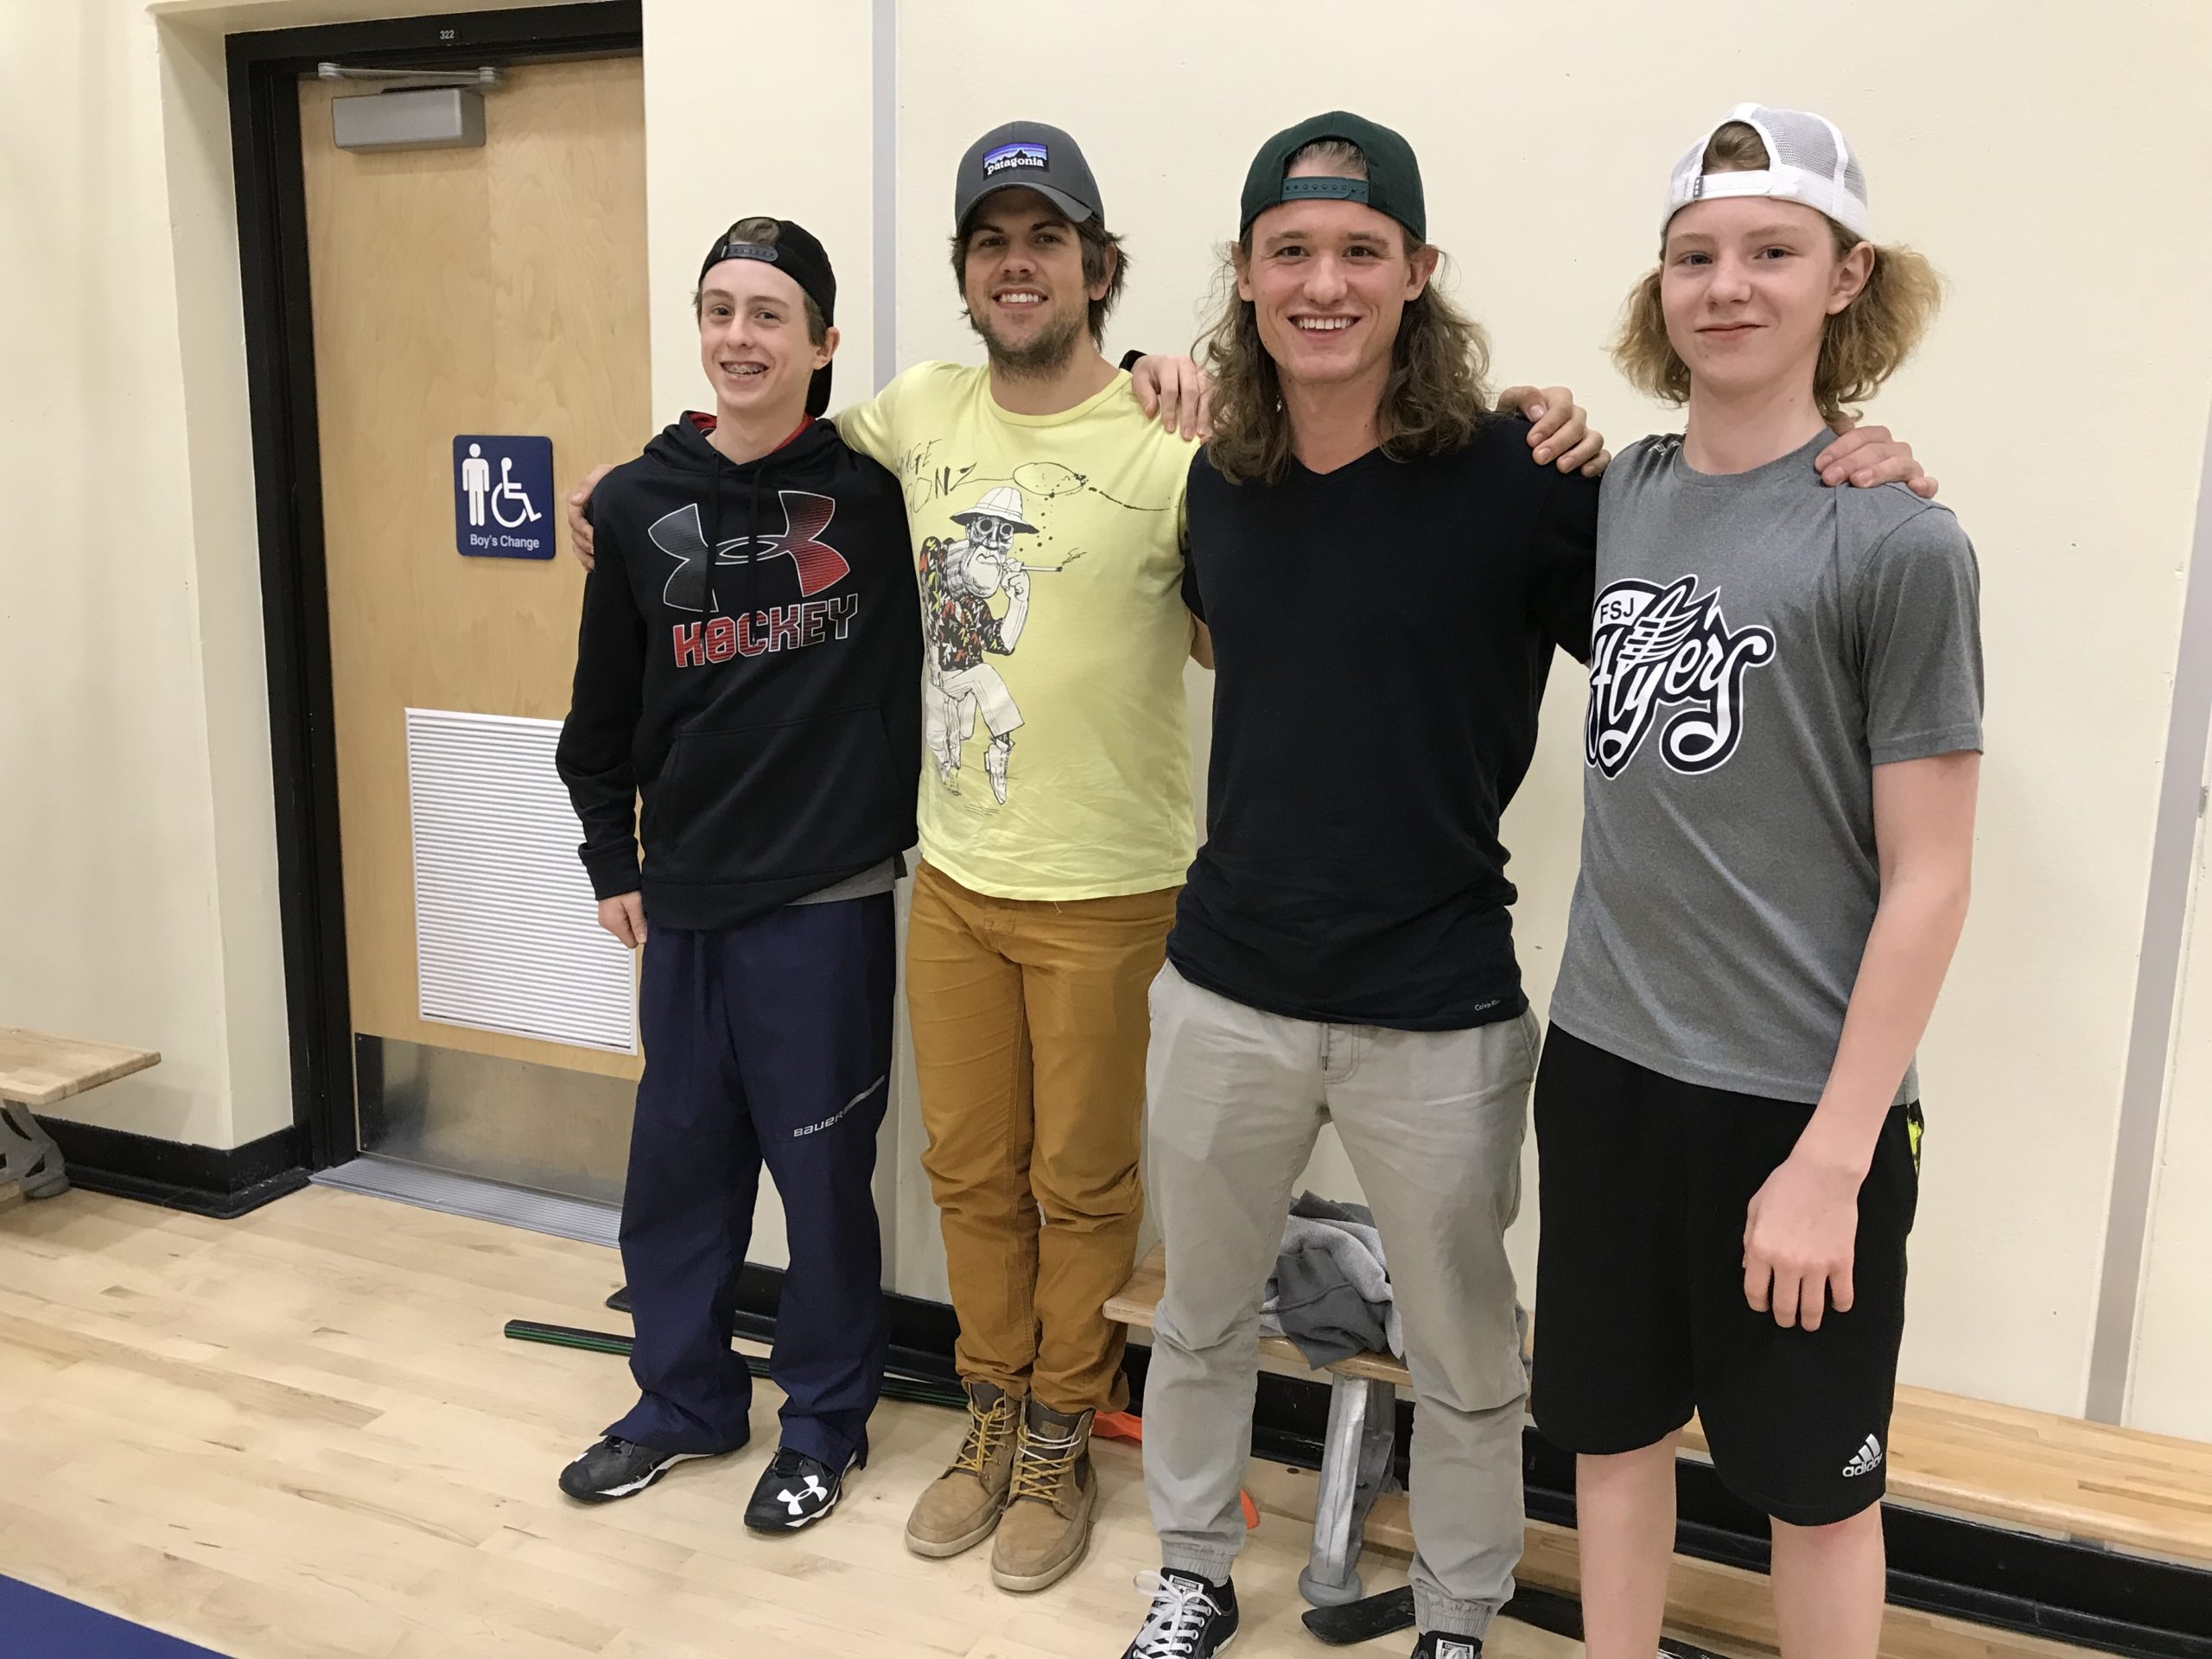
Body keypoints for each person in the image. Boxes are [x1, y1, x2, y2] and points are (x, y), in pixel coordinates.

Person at [568, 122, 1599, 1596]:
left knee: (1083, 1186)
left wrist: (1541, 423)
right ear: (965, 275)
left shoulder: (1187, 438)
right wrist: (633, 490)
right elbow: (757, 440)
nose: (1018, 266)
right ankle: (989, 1410)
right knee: (968, 1176)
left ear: (1097, 268)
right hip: (955, 880)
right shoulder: (915, 414)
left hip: (1118, 887)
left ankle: (1062, 1428)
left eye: (1046, 240)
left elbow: (1282, 591)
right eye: (992, 243)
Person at [1125, 112, 1936, 1659]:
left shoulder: (1525, 475)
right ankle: (1191, 1569)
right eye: (1291, 252)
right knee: (1201, 1316)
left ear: (1416, 271)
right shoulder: (1218, 472)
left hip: (1440, 1006)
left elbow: (1704, 574)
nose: (1324, 283)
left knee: (1469, 1353)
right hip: (1225, 986)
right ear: (1244, 272)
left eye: (1360, 251)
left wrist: (1858, 469)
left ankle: (1457, 1610)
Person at [1532, 105, 1979, 1659]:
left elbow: (1933, 880)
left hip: (1798, 1106)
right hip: (1605, 1070)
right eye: (1694, 256)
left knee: (1812, 1489)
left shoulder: (1900, 541)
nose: (1727, 286)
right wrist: (1529, 409)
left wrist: (1832, 1163)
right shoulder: (1621, 495)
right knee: (1611, 1439)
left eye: (1772, 252)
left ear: (1847, 278)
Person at [552, 217, 920, 1535]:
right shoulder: (637, 505)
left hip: (825, 904)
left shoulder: (882, 495)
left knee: (821, 1191)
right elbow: (600, 718)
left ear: (823, 344)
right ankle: (685, 1401)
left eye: (770, 315)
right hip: (684, 903)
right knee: (679, 1173)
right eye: (719, 311)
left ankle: (824, 1422)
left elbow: (1022, 438)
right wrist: (612, 857)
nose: (739, 337)